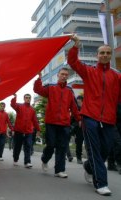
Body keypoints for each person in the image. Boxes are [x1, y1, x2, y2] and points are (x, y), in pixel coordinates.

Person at [68, 35, 121, 196]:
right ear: (97, 55)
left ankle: (89, 167)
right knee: (95, 150)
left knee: (105, 150)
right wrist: (76, 46)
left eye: (107, 53)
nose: (104, 55)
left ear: (110, 56)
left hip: (109, 120)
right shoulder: (89, 71)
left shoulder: (117, 77)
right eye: (102, 53)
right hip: (89, 116)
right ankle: (101, 184)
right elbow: (73, 62)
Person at [34, 69, 81, 178]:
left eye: (66, 75)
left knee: (62, 146)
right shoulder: (51, 87)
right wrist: (39, 79)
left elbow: (74, 107)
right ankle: (45, 159)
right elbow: (38, 90)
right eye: (62, 74)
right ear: (58, 75)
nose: (64, 76)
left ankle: (59, 170)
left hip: (64, 123)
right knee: (51, 144)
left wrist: (79, 119)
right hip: (51, 122)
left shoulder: (69, 90)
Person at [11, 94, 40, 168]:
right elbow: (13, 104)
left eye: (29, 98)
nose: (28, 99)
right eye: (26, 98)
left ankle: (27, 162)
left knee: (28, 146)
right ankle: (15, 159)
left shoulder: (32, 110)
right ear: (24, 99)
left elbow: (35, 121)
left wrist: (38, 130)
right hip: (19, 130)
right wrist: (14, 97)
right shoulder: (19, 106)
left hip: (28, 131)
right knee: (17, 146)